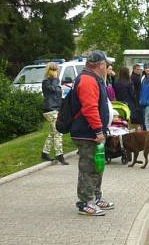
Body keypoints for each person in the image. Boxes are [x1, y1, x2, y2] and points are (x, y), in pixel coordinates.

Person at [70, 50, 114, 216]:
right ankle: (85, 202)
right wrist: (98, 130)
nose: (107, 67)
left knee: (97, 166)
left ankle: (95, 197)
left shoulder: (93, 78)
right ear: (101, 65)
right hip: (87, 132)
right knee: (88, 168)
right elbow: (89, 108)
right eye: (106, 64)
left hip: (92, 132)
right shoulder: (87, 80)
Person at [41, 62, 68, 165]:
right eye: (53, 69)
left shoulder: (56, 81)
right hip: (50, 110)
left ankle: (44, 153)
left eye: (56, 70)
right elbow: (52, 90)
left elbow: (58, 95)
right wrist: (55, 79)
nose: (56, 72)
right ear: (49, 71)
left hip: (56, 109)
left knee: (53, 133)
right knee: (58, 132)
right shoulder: (46, 82)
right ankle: (59, 155)